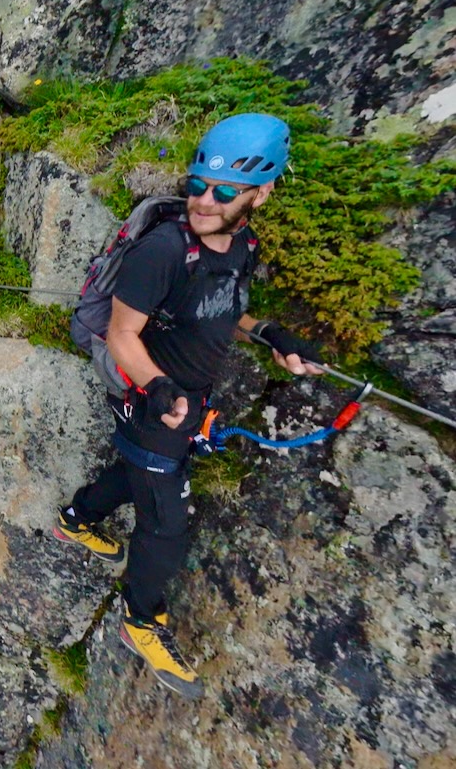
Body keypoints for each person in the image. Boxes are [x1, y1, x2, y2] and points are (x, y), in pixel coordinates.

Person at [53, 114, 324, 699]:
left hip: (184, 398)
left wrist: (271, 333)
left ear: (262, 192)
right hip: (154, 400)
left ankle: (76, 519)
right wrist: (157, 388)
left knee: (139, 477)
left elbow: (220, 310)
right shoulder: (163, 250)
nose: (204, 201)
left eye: (224, 191)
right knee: (167, 525)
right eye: (198, 185)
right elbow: (124, 335)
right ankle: (140, 620)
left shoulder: (241, 244)